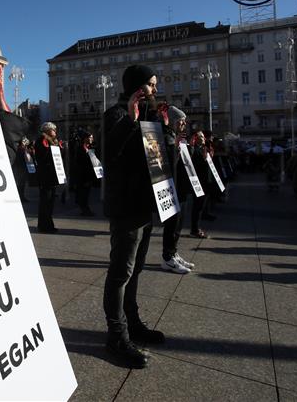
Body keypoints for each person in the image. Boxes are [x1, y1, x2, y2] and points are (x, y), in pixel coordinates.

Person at [102, 64, 166, 370]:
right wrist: (131, 118)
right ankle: (117, 336)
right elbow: (110, 154)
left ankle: (133, 323)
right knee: (121, 273)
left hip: (144, 204)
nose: (155, 90)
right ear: (138, 87)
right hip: (125, 206)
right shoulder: (115, 114)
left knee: (136, 269)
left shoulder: (149, 117)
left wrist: (163, 128)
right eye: (151, 85)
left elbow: (154, 160)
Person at [161, 105, 194, 274]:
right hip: (170, 187)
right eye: (181, 121)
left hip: (180, 186)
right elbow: (168, 164)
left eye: (184, 121)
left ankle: (173, 252)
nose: (184, 124)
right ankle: (167, 258)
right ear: (173, 121)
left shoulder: (178, 138)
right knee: (172, 224)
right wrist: (175, 147)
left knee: (179, 223)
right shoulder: (167, 137)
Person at [34, 121, 63, 233]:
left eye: (55, 130)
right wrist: (53, 148)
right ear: (47, 130)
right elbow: (43, 156)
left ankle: (49, 224)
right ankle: (44, 225)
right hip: (45, 175)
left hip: (52, 175)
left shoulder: (53, 141)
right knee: (45, 202)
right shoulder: (42, 140)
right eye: (53, 129)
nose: (55, 131)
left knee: (50, 202)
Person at [189, 130, 211, 239]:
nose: (203, 138)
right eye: (201, 136)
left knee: (200, 206)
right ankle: (195, 229)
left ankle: (196, 228)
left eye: (203, 136)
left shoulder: (203, 148)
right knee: (197, 207)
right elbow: (193, 164)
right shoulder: (194, 149)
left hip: (204, 181)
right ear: (195, 138)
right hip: (197, 182)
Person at [72, 131, 96, 216]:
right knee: (83, 193)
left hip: (89, 173)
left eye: (92, 138)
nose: (91, 139)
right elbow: (80, 162)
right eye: (90, 137)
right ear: (85, 138)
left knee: (86, 193)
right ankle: (84, 209)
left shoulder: (91, 147)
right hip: (82, 174)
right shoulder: (80, 148)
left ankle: (85, 208)